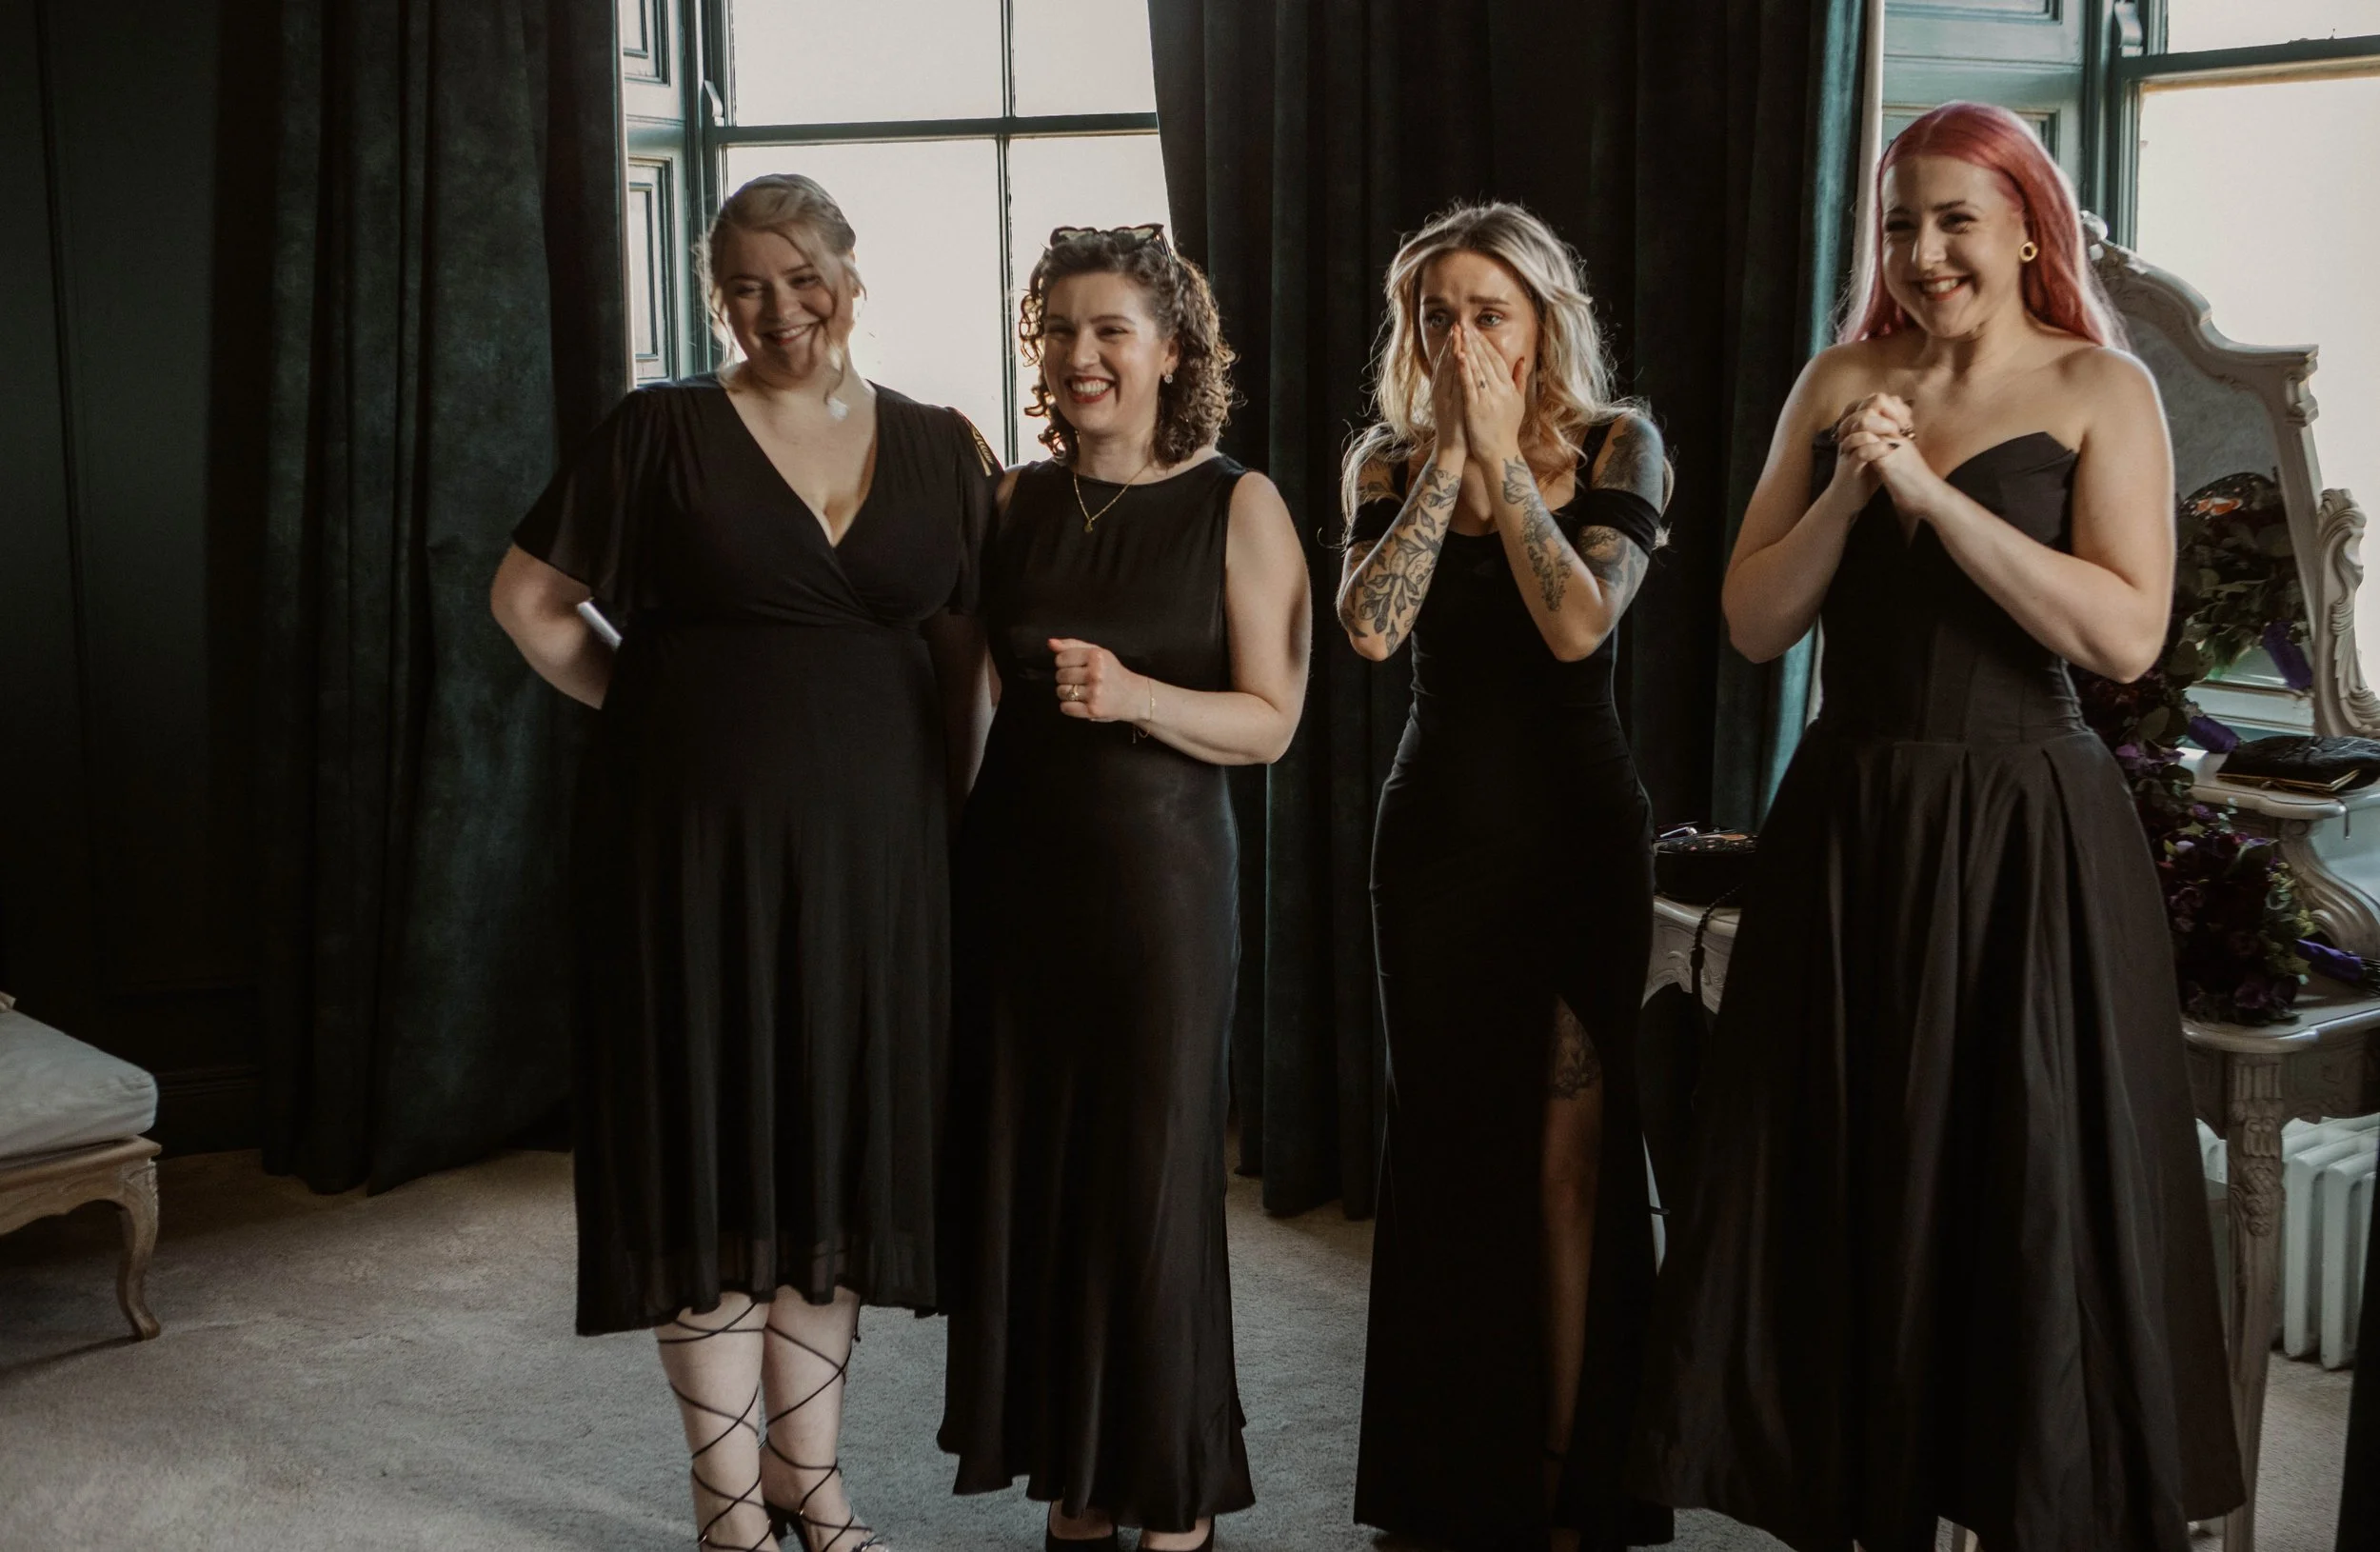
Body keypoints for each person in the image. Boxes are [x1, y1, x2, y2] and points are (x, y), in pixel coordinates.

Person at [1631, 102, 2242, 1551]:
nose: (1922, 251)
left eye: (1954, 219)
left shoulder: (2106, 390)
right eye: (1901, 221)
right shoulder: (1842, 375)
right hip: (1852, 820)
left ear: (2029, 223)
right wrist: (1851, 485)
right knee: (1845, 1177)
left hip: (2032, 826)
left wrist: (1926, 490)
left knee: (2019, 1185)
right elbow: (1751, 616)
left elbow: (2126, 635)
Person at [489, 172, 995, 1552]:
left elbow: (967, 663)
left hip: (879, 861)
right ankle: (725, 1498)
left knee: (830, 1160)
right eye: (746, 286)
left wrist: (943, 823)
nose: (780, 308)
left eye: (801, 274)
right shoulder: (659, 431)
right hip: (685, 854)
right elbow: (528, 601)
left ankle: (809, 1480)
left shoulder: (945, 446)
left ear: (850, 270)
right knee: (709, 1158)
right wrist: (653, 713)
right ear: (717, 298)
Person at [937, 223, 1310, 1552]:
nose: (1082, 354)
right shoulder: (1011, 504)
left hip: (1161, 886)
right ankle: (1077, 1481)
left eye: (1112, 330)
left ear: (1170, 351)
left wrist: (1139, 694)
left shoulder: (1235, 502)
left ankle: (1175, 1496)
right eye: (1061, 328)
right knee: (1036, 1173)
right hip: (1014, 877)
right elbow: (963, 706)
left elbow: (1272, 722)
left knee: (1150, 1180)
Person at [1336, 201, 1672, 1552]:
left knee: (1570, 1161)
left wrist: (1510, 467)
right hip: (1435, 841)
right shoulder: (1383, 457)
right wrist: (1446, 465)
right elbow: (1369, 629)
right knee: (1452, 1150)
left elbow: (1579, 622)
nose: (1461, 337)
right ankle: (1455, 1477)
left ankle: (1565, 1474)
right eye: (1438, 315)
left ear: (1543, 324)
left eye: (1489, 312)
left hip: (1579, 833)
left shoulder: (1617, 442)